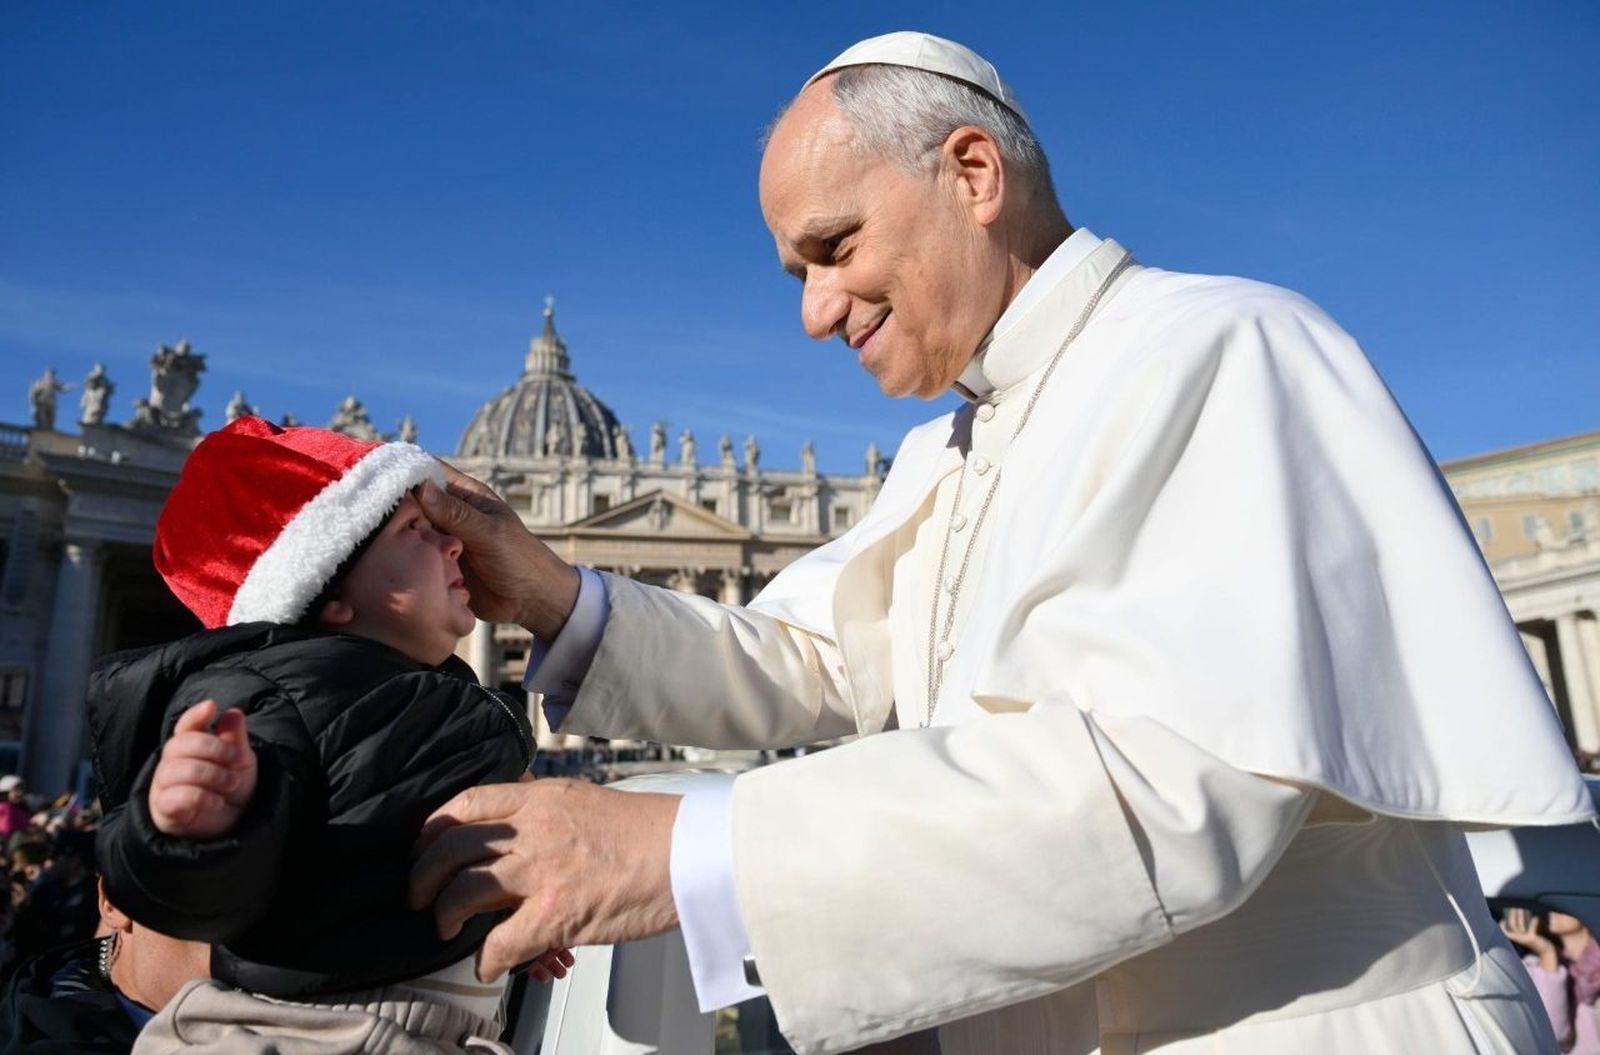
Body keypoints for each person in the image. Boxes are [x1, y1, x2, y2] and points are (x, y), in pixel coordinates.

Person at [407, 31, 1594, 1054]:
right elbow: (813, 661)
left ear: (971, 172)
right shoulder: (949, 452)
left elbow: (1164, 783)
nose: (814, 311)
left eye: (834, 247)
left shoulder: (1220, 350)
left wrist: (682, 848)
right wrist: (559, 595)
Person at [91, 417, 566, 1052]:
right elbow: (208, 894)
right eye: (417, 530)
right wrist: (181, 832)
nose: (457, 545)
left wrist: (509, 910)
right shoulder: (276, 692)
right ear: (329, 592)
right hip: (300, 1035)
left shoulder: (448, 699)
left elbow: (414, 855)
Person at [1503, 907, 1600, 1053]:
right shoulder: (1534, 965)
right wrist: (1547, 954)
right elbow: (1555, 1032)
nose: (1553, 909)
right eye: (1550, 906)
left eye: (1564, 906)